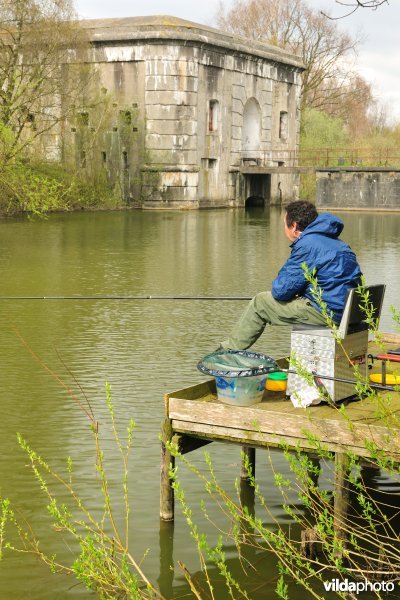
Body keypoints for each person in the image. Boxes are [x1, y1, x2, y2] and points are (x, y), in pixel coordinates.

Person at [221, 200, 362, 350]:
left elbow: (280, 290)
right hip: (350, 312)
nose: (284, 228)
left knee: (260, 303)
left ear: (294, 226)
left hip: (329, 312)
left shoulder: (307, 244)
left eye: (284, 224)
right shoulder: (338, 243)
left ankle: (227, 355)